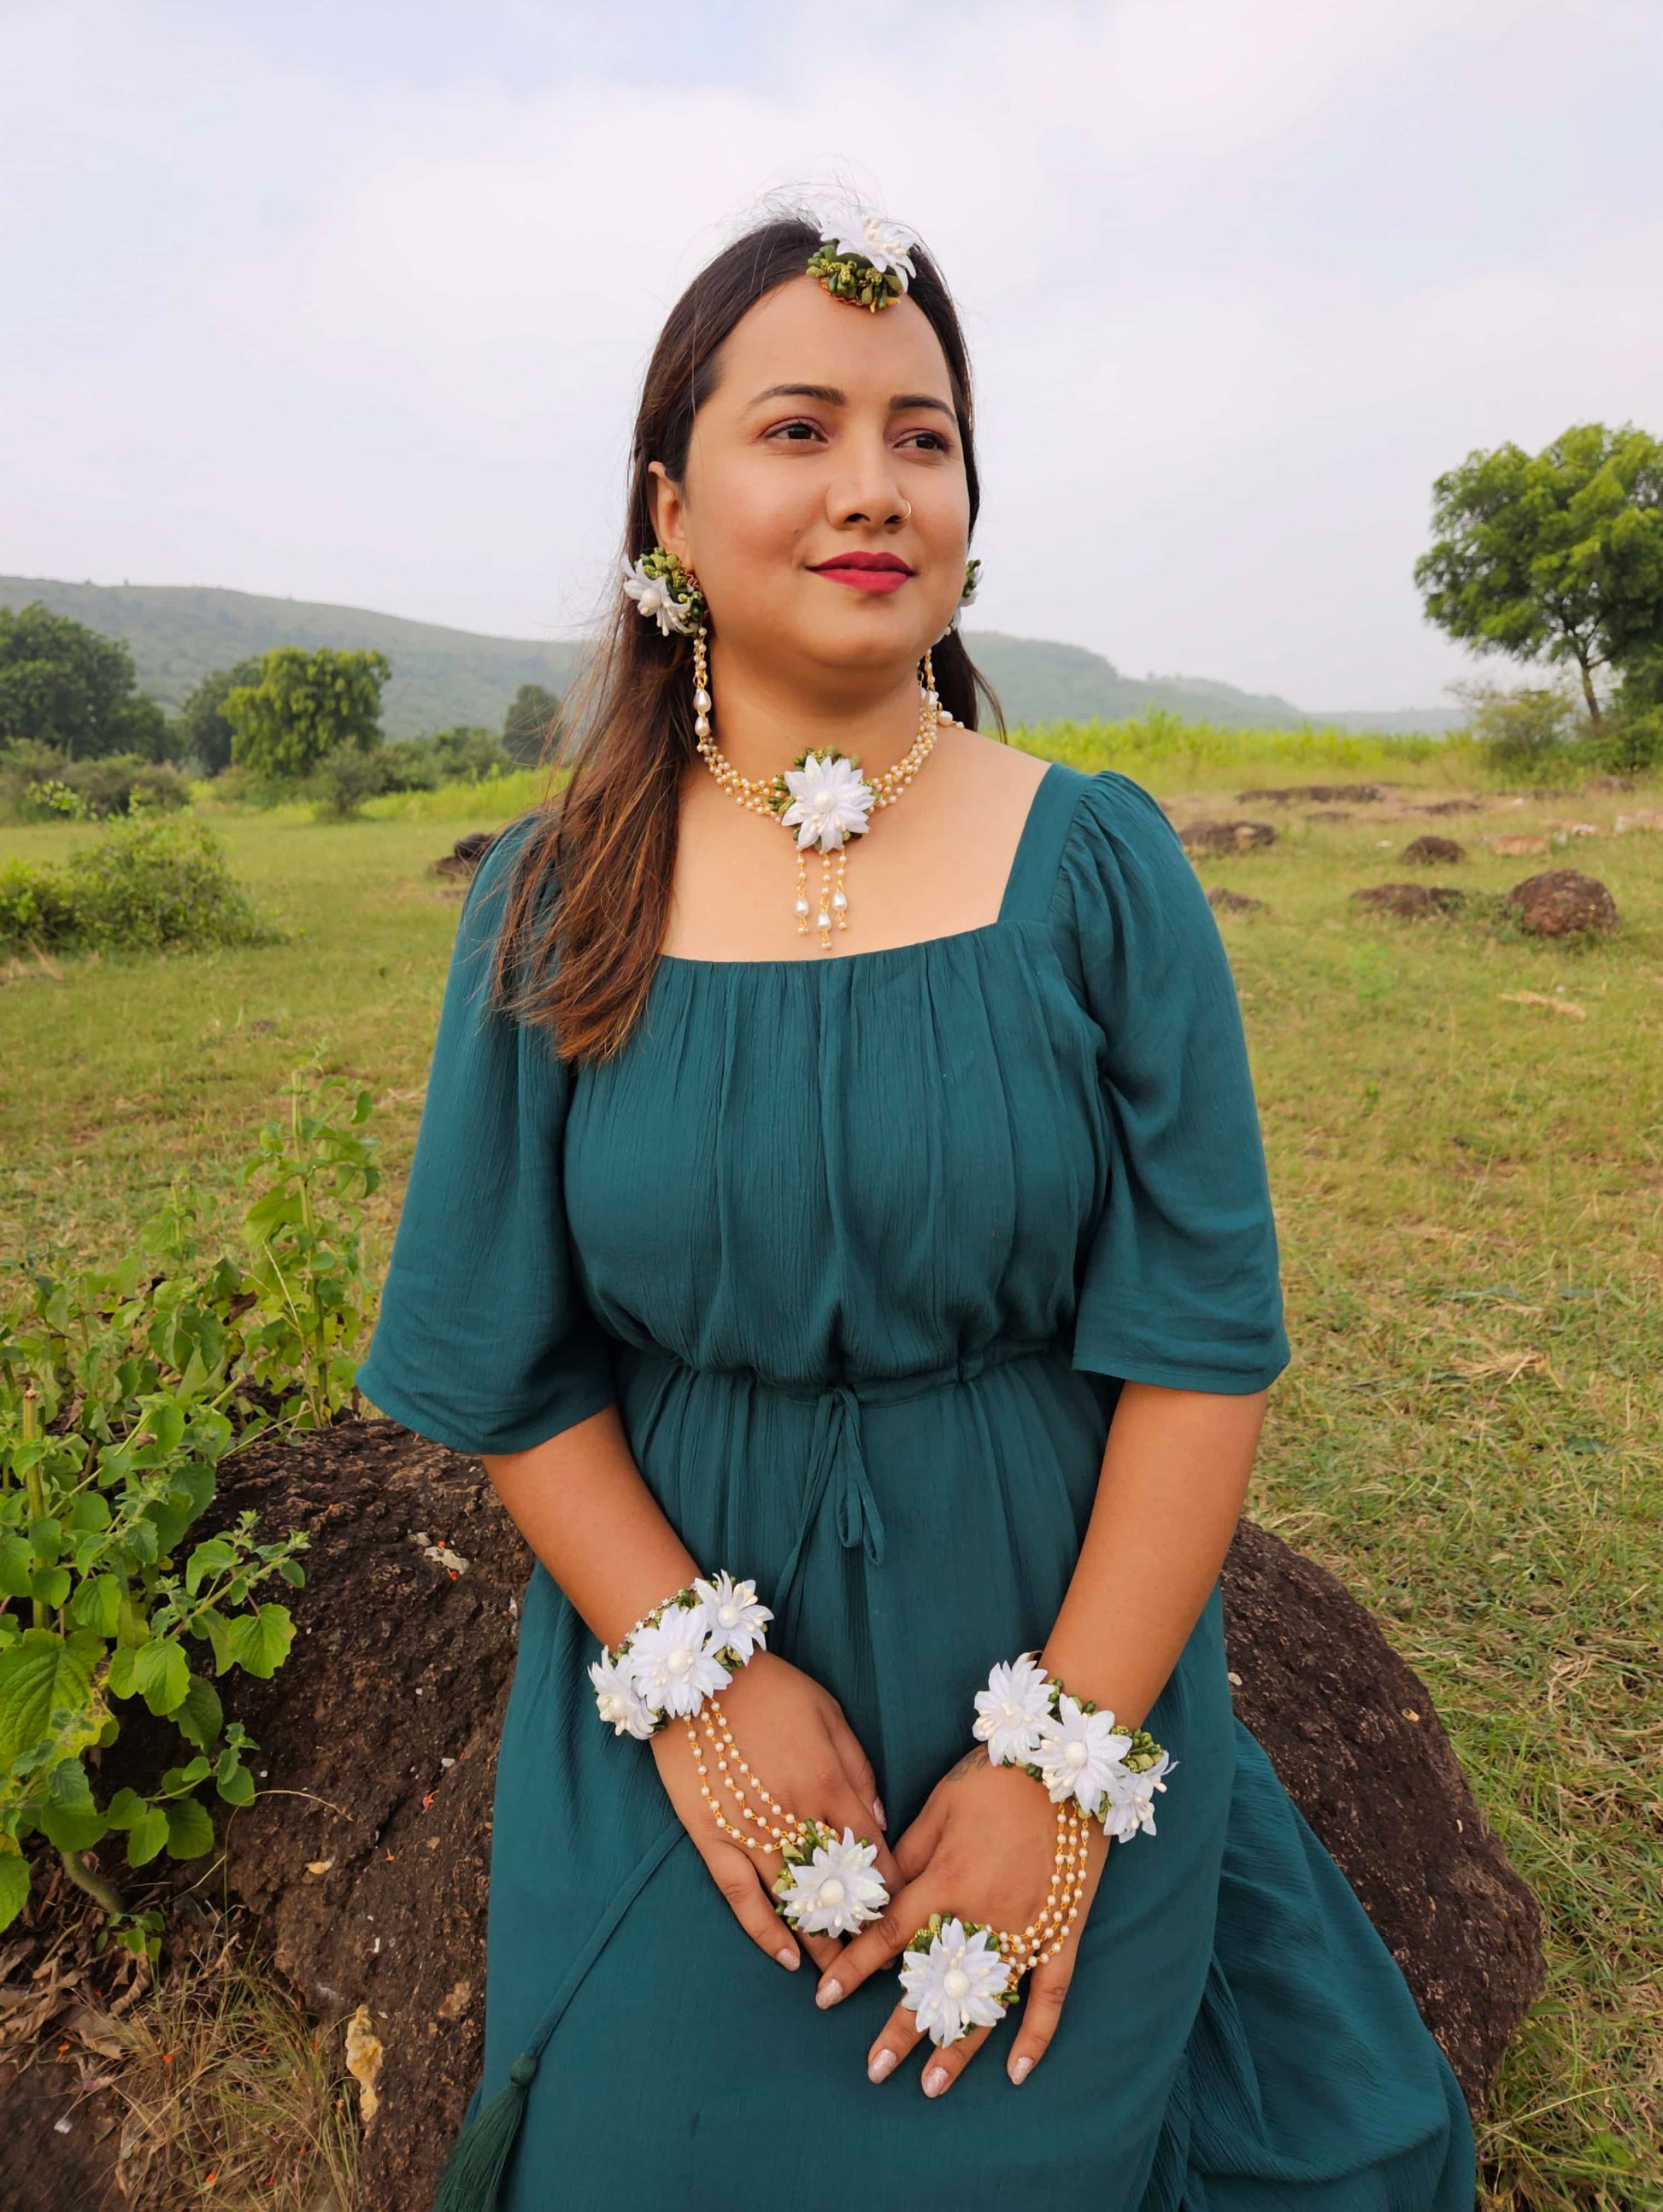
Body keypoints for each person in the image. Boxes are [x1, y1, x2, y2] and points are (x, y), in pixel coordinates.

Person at [357, 207, 1477, 2212]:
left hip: (1068, 1630)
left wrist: (1060, 1768)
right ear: (670, 507)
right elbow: (509, 1366)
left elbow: (1200, 1341)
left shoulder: (1101, 864)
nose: (873, 486)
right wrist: (698, 1695)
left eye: (924, 434)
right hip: (671, 1653)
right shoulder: (556, 899)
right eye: (799, 427)